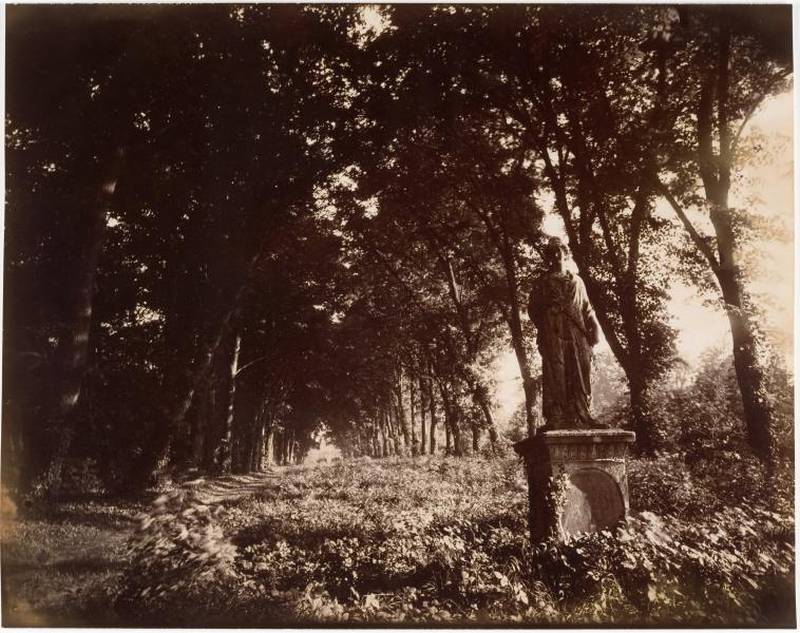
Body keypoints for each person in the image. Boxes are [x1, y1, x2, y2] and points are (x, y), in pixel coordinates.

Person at [528, 237, 604, 430]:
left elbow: (587, 308)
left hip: (577, 332)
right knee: (557, 372)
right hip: (554, 332)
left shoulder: (577, 281)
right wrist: (547, 319)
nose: (555, 255)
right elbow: (533, 309)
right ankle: (557, 416)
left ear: (565, 253)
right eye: (551, 253)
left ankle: (582, 414)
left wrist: (595, 327)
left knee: (581, 370)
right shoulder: (542, 282)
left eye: (558, 251)